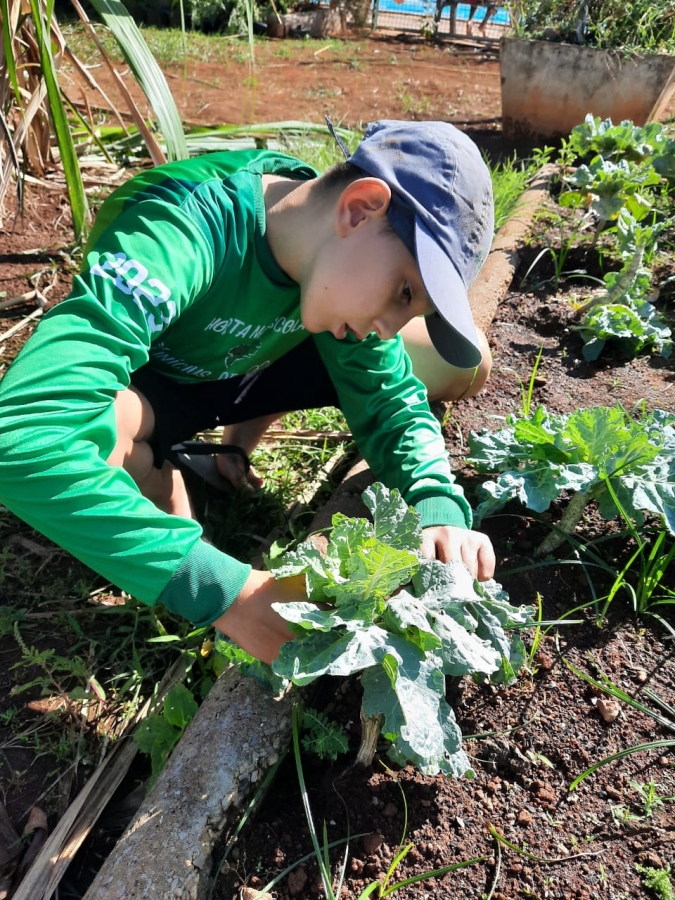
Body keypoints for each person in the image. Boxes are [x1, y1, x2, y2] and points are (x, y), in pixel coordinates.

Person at [0, 119, 496, 666]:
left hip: (263, 356)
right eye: (404, 292)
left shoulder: (334, 268)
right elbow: (22, 436)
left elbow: (390, 400)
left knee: (467, 362)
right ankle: (157, 467)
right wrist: (226, 592)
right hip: (161, 382)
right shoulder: (181, 230)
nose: (389, 326)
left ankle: (235, 438)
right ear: (358, 210)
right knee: (97, 438)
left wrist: (436, 500)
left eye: (413, 309)